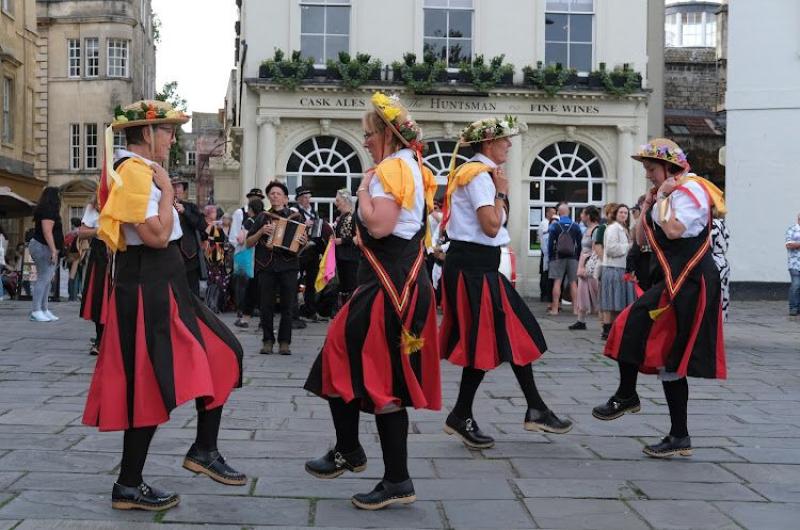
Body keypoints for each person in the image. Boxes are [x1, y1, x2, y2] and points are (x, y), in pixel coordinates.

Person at [83, 100, 245, 511]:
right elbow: (155, 236)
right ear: (146, 134)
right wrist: (170, 191)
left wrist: (166, 191)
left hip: (164, 283)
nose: (173, 138)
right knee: (149, 385)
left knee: (225, 353)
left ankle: (202, 450)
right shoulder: (134, 172)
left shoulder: (139, 172)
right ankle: (130, 484)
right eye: (168, 131)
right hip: (148, 286)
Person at [304, 92, 441, 510]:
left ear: (385, 133)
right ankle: (382, 469)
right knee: (379, 376)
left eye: (368, 134)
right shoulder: (412, 167)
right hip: (402, 283)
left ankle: (361, 457)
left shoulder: (387, 170)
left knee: (343, 361)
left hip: (385, 286)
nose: (364, 141)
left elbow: (379, 226)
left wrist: (362, 191)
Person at [439, 116, 572, 451]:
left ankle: (529, 408)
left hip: (476, 266)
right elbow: (490, 226)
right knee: (490, 339)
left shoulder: (475, 173)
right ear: (488, 144)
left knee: (507, 333)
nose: (509, 146)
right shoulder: (481, 177)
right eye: (504, 141)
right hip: (473, 267)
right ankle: (475, 413)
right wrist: (500, 193)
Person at [594, 138, 727, 458]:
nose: (648, 176)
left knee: (652, 341)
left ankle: (635, 401)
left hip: (690, 282)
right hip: (672, 280)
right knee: (651, 343)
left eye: (651, 169)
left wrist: (663, 197)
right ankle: (672, 430)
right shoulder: (664, 195)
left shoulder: (692, 191)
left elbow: (674, 230)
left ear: (670, 168)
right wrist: (651, 204)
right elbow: (640, 239)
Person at [247, 180, 305, 355]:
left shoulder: (296, 218)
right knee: (266, 306)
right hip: (266, 266)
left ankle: (284, 342)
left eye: (278, 194)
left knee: (288, 305)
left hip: (288, 266)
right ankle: (267, 341)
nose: (274, 196)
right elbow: (249, 242)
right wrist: (261, 232)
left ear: (286, 198)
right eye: (272, 193)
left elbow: (302, 245)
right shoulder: (262, 217)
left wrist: (302, 243)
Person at [600, 204, 636, 339]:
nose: (623, 215)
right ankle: (607, 330)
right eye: (621, 212)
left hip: (621, 268)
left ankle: (613, 330)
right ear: (615, 214)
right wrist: (629, 246)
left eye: (626, 213)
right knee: (610, 301)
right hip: (612, 268)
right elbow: (610, 249)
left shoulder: (623, 229)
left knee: (618, 301)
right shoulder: (613, 228)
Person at [292, 185, 328, 321]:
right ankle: (294, 310)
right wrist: (304, 224)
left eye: (308, 197)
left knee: (311, 282)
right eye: (305, 197)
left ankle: (310, 310)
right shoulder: (295, 211)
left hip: (312, 251)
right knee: (296, 281)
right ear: (299, 199)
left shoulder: (314, 212)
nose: (308, 200)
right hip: (300, 251)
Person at [79, 196, 108, 355]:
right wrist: (100, 230)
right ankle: (99, 339)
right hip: (100, 253)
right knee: (99, 297)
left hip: (121, 252)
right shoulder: (93, 206)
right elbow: (82, 233)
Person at [29, 186, 63, 322]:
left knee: (47, 279)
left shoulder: (47, 209)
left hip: (44, 246)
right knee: (43, 278)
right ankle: (36, 310)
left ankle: (44, 309)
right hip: (43, 246)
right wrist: (54, 250)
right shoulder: (48, 210)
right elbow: (47, 231)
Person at [173, 179, 207, 296]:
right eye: (173, 187)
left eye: (179, 187)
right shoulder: (164, 207)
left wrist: (185, 212)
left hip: (190, 256)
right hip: (171, 254)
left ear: (183, 190)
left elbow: (202, 225)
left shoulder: (190, 207)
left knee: (192, 293)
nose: (176, 190)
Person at [570, 205, 601, 330]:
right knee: (582, 292)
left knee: (596, 293)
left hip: (590, 265)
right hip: (584, 263)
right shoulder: (588, 229)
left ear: (588, 216)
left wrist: (586, 266)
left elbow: (595, 250)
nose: (581, 216)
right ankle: (580, 320)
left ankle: (605, 322)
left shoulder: (596, 230)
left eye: (583, 214)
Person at [547, 203, 581, 315]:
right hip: (573, 257)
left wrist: (551, 257)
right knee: (573, 283)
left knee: (557, 282)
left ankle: (555, 309)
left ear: (559, 213)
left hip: (558, 257)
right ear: (569, 212)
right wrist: (578, 256)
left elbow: (550, 243)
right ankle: (576, 309)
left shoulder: (555, 226)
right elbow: (579, 243)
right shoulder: (575, 226)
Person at [332, 188, 359, 308]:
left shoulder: (353, 217)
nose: (335, 203)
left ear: (345, 201)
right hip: (342, 257)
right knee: (343, 286)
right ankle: (344, 311)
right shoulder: (341, 217)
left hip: (351, 258)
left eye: (338, 200)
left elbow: (358, 237)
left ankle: (351, 310)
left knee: (350, 286)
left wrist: (342, 240)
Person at [204, 205, 231, 313]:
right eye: (214, 212)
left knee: (219, 281)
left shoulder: (217, 226)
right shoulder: (210, 225)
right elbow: (206, 237)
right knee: (214, 280)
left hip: (219, 254)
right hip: (212, 254)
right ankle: (211, 305)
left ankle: (215, 305)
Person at [711, 216, 730, 321]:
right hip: (723, 260)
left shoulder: (712, 225)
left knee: (714, 295)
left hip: (713, 261)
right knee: (723, 294)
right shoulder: (723, 225)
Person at [538, 207, 556, 302]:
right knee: (544, 273)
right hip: (545, 251)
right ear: (547, 213)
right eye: (552, 213)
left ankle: (548, 294)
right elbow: (546, 234)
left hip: (549, 251)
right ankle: (544, 294)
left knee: (548, 273)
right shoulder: (544, 223)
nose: (554, 215)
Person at [786, 213, 800, 317]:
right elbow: (789, 244)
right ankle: (793, 308)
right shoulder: (792, 230)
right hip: (795, 263)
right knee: (795, 285)